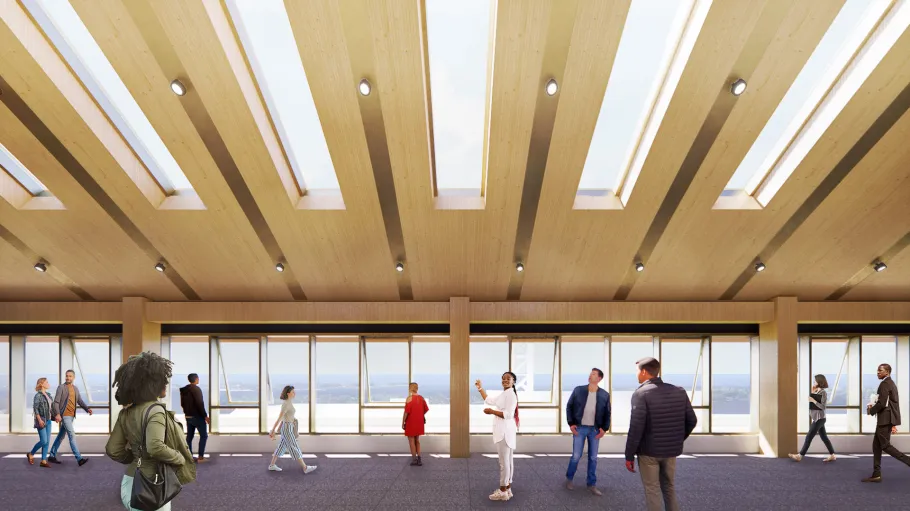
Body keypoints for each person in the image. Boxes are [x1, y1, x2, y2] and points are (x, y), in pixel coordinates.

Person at [106, 351, 196, 511]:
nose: (166, 384)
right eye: (162, 380)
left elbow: (113, 450)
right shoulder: (156, 411)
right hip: (152, 484)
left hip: (130, 483)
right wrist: (179, 458)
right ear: (151, 384)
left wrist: (135, 458)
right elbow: (155, 446)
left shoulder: (125, 413)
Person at [625, 357, 697, 511]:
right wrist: (677, 439)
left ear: (644, 372)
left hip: (649, 452)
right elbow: (692, 420)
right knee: (669, 487)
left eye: (637, 371)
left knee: (652, 490)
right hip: (671, 451)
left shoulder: (641, 394)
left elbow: (636, 428)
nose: (636, 375)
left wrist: (629, 455)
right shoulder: (679, 391)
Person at [565, 368, 611, 496]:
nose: (590, 376)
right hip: (580, 428)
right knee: (576, 456)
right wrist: (571, 423)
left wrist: (604, 429)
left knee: (593, 458)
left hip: (595, 430)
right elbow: (569, 406)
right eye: (590, 374)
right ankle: (569, 479)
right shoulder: (578, 390)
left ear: (600, 378)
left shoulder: (604, 395)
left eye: (594, 374)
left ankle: (591, 484)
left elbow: (608, 413)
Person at [862, 363, 910, 482]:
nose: (878, 372)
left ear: (887, 372)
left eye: (880, 370)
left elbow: (882, 404)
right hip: (887, 419)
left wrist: (870, 410)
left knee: (885, 446)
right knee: (876, 446)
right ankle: (876, 474)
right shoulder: (891, 383)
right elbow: (892, 404)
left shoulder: (884, 384)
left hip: (884, 420)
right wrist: (893, 423)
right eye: (877, 370)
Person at [475, 372, 519, 502]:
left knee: (504, 463)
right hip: (506, 431)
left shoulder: (511, 395)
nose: (505, 380)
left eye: (508, 379)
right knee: (508, 462)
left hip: (504, 432)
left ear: (513, 381)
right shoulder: (505, 394)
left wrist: (491, 411)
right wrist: (479, 388)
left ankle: (503, 491)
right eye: (503, 378)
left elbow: (508, 414)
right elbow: (489, 400)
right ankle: (508, 489)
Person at [268, 385, 317, 474]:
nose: (295, 393)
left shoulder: (289, 403)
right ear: (288, 393)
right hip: (287, 429)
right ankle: (305, 468)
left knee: (281, 447)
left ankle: (272, 465)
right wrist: (273, 430)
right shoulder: (286, 404)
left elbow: (287, 417)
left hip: (288, 427)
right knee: (294, 447)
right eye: (293, 392)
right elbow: (280, 418)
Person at [47, 369, 92, 466]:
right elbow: (56, 402)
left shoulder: (75, 388)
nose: (68, 377)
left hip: (71, 416)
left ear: (73, 377)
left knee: (61, 436)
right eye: (67, 376)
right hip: (65, 415)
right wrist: (58, 414)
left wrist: (87, 409)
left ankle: (52, 455)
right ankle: (79, 458)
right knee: (72, 435)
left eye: (70, 376)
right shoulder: (61, 387)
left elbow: (79, 400)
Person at [789, 374, 836, 462]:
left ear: (819, 382)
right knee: (824, 437)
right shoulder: (816, 391)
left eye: (815, 381)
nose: (814, 382)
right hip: (817, 418)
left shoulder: (823, 392)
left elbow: (823, 406)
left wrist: (813, 400)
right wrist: (812, 393)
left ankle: (800, 455)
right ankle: (832, 455)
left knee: (809, 437)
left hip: (820, 419)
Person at [180, 373, 209, 463]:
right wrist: (205, 416)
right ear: (196, 379)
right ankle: (200, 457)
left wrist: (186, 413)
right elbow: (200, 404)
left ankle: (190, 457)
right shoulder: (196, 389)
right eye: (198, 378)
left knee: (189, 437)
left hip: (188, 416)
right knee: (204, 436)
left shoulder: (184, 390)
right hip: (197, 417)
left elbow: (182, 404)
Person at [27, 377, 54, 468]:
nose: (48, 383)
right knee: (43, 441)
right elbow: (36, 409)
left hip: (49, 420)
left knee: (47, 442)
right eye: (46, 382)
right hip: (41, 420)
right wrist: (39, 420)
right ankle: (31, 453)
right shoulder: (37, 396)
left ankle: (43, 460)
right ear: (42, 384)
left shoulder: (49, 395)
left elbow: (51, 407)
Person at [402, 382, 429, 466]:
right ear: (417, 388)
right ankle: (419, 458)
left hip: (411, 422)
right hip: (419, 421)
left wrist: (403, 422)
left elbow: (406, 412)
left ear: (410, 388)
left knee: (411, 441)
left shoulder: (409, 399)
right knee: (417, 440)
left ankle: (414, 460)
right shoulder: (421, 398)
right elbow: (426, 409)